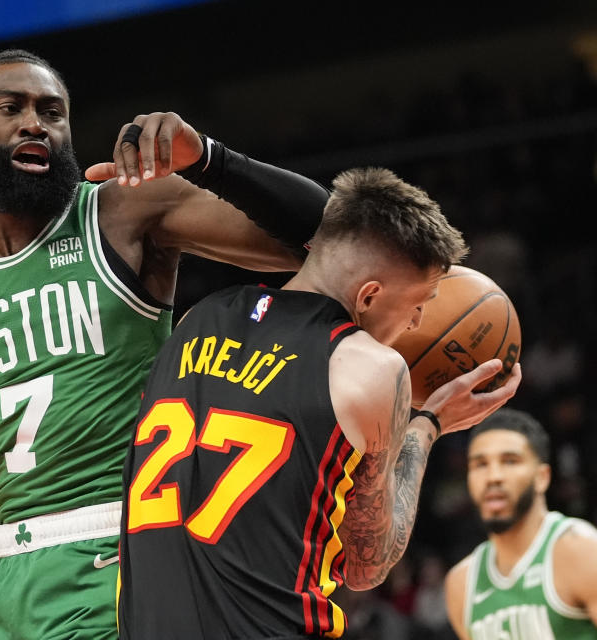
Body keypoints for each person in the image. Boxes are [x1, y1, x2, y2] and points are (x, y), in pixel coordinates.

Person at [0, 48, 330, 639]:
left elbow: (326, 237)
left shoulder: (119, 212)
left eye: (52, 111)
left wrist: (210, 160)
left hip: (121, 549)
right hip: (3, 581)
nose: (34, 123)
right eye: (10, 108)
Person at [116, 167, 522, 639]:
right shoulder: (371, 367)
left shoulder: (197, 319)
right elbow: (366, 564)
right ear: (369, 295)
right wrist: (426, 427)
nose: (416, 323)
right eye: (420, 303)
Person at [443, 407, 597, 639]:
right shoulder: (461, 583)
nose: (493, 476)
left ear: (541, 477)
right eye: (480, 464)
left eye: (510, 461)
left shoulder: (580, 550)